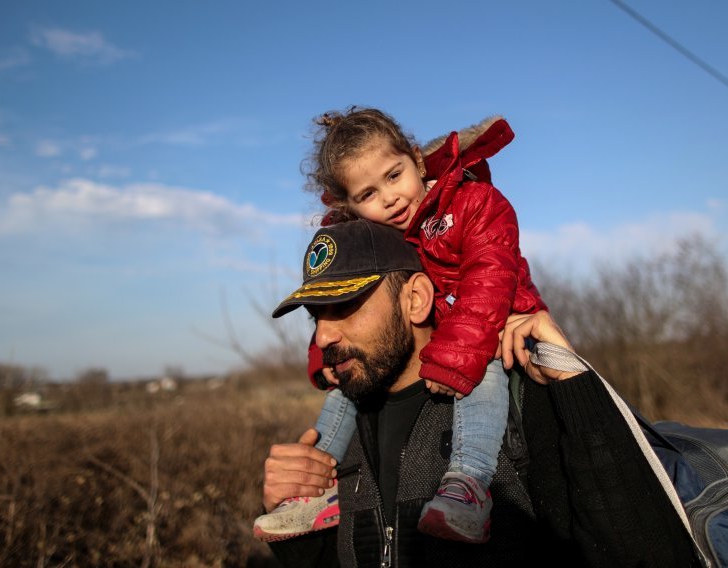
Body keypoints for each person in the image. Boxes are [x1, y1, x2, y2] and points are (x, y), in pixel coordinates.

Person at [259, 220, 700, 567]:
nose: (322, 338)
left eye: (343, 307)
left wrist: (576, 389)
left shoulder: (514, 396)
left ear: (415, 300)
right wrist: (295, 517)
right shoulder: (344, 428)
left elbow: (648, 554)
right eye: (315, 316)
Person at [254, 108, 547, 544]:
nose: (389, 198)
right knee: (344, 388)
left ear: (416, 159)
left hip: (493, 325)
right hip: (447, 335)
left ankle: (468, 485)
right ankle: (318, 493)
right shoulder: (385, 238)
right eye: (368, 193)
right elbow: (345, 314)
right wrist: (326, 358)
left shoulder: (470, 202)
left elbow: (490, 276)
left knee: (480, 376)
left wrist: (455, 354)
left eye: (394, 175)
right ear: (348, 207)